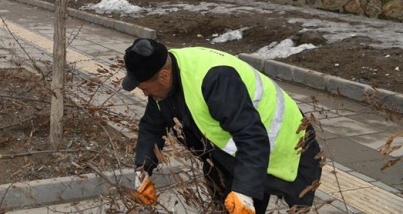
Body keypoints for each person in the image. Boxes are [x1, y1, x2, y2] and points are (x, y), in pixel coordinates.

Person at [122, 39, 322, 214]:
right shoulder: (164, 77)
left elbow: (250, 136)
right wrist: (143, 170)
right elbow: (151, 126)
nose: (146, 95)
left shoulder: (215, 80)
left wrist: (244, 191)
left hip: (288, 144)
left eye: (145, 89)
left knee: (278, 202)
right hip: (236, 155)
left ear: (164, 76)